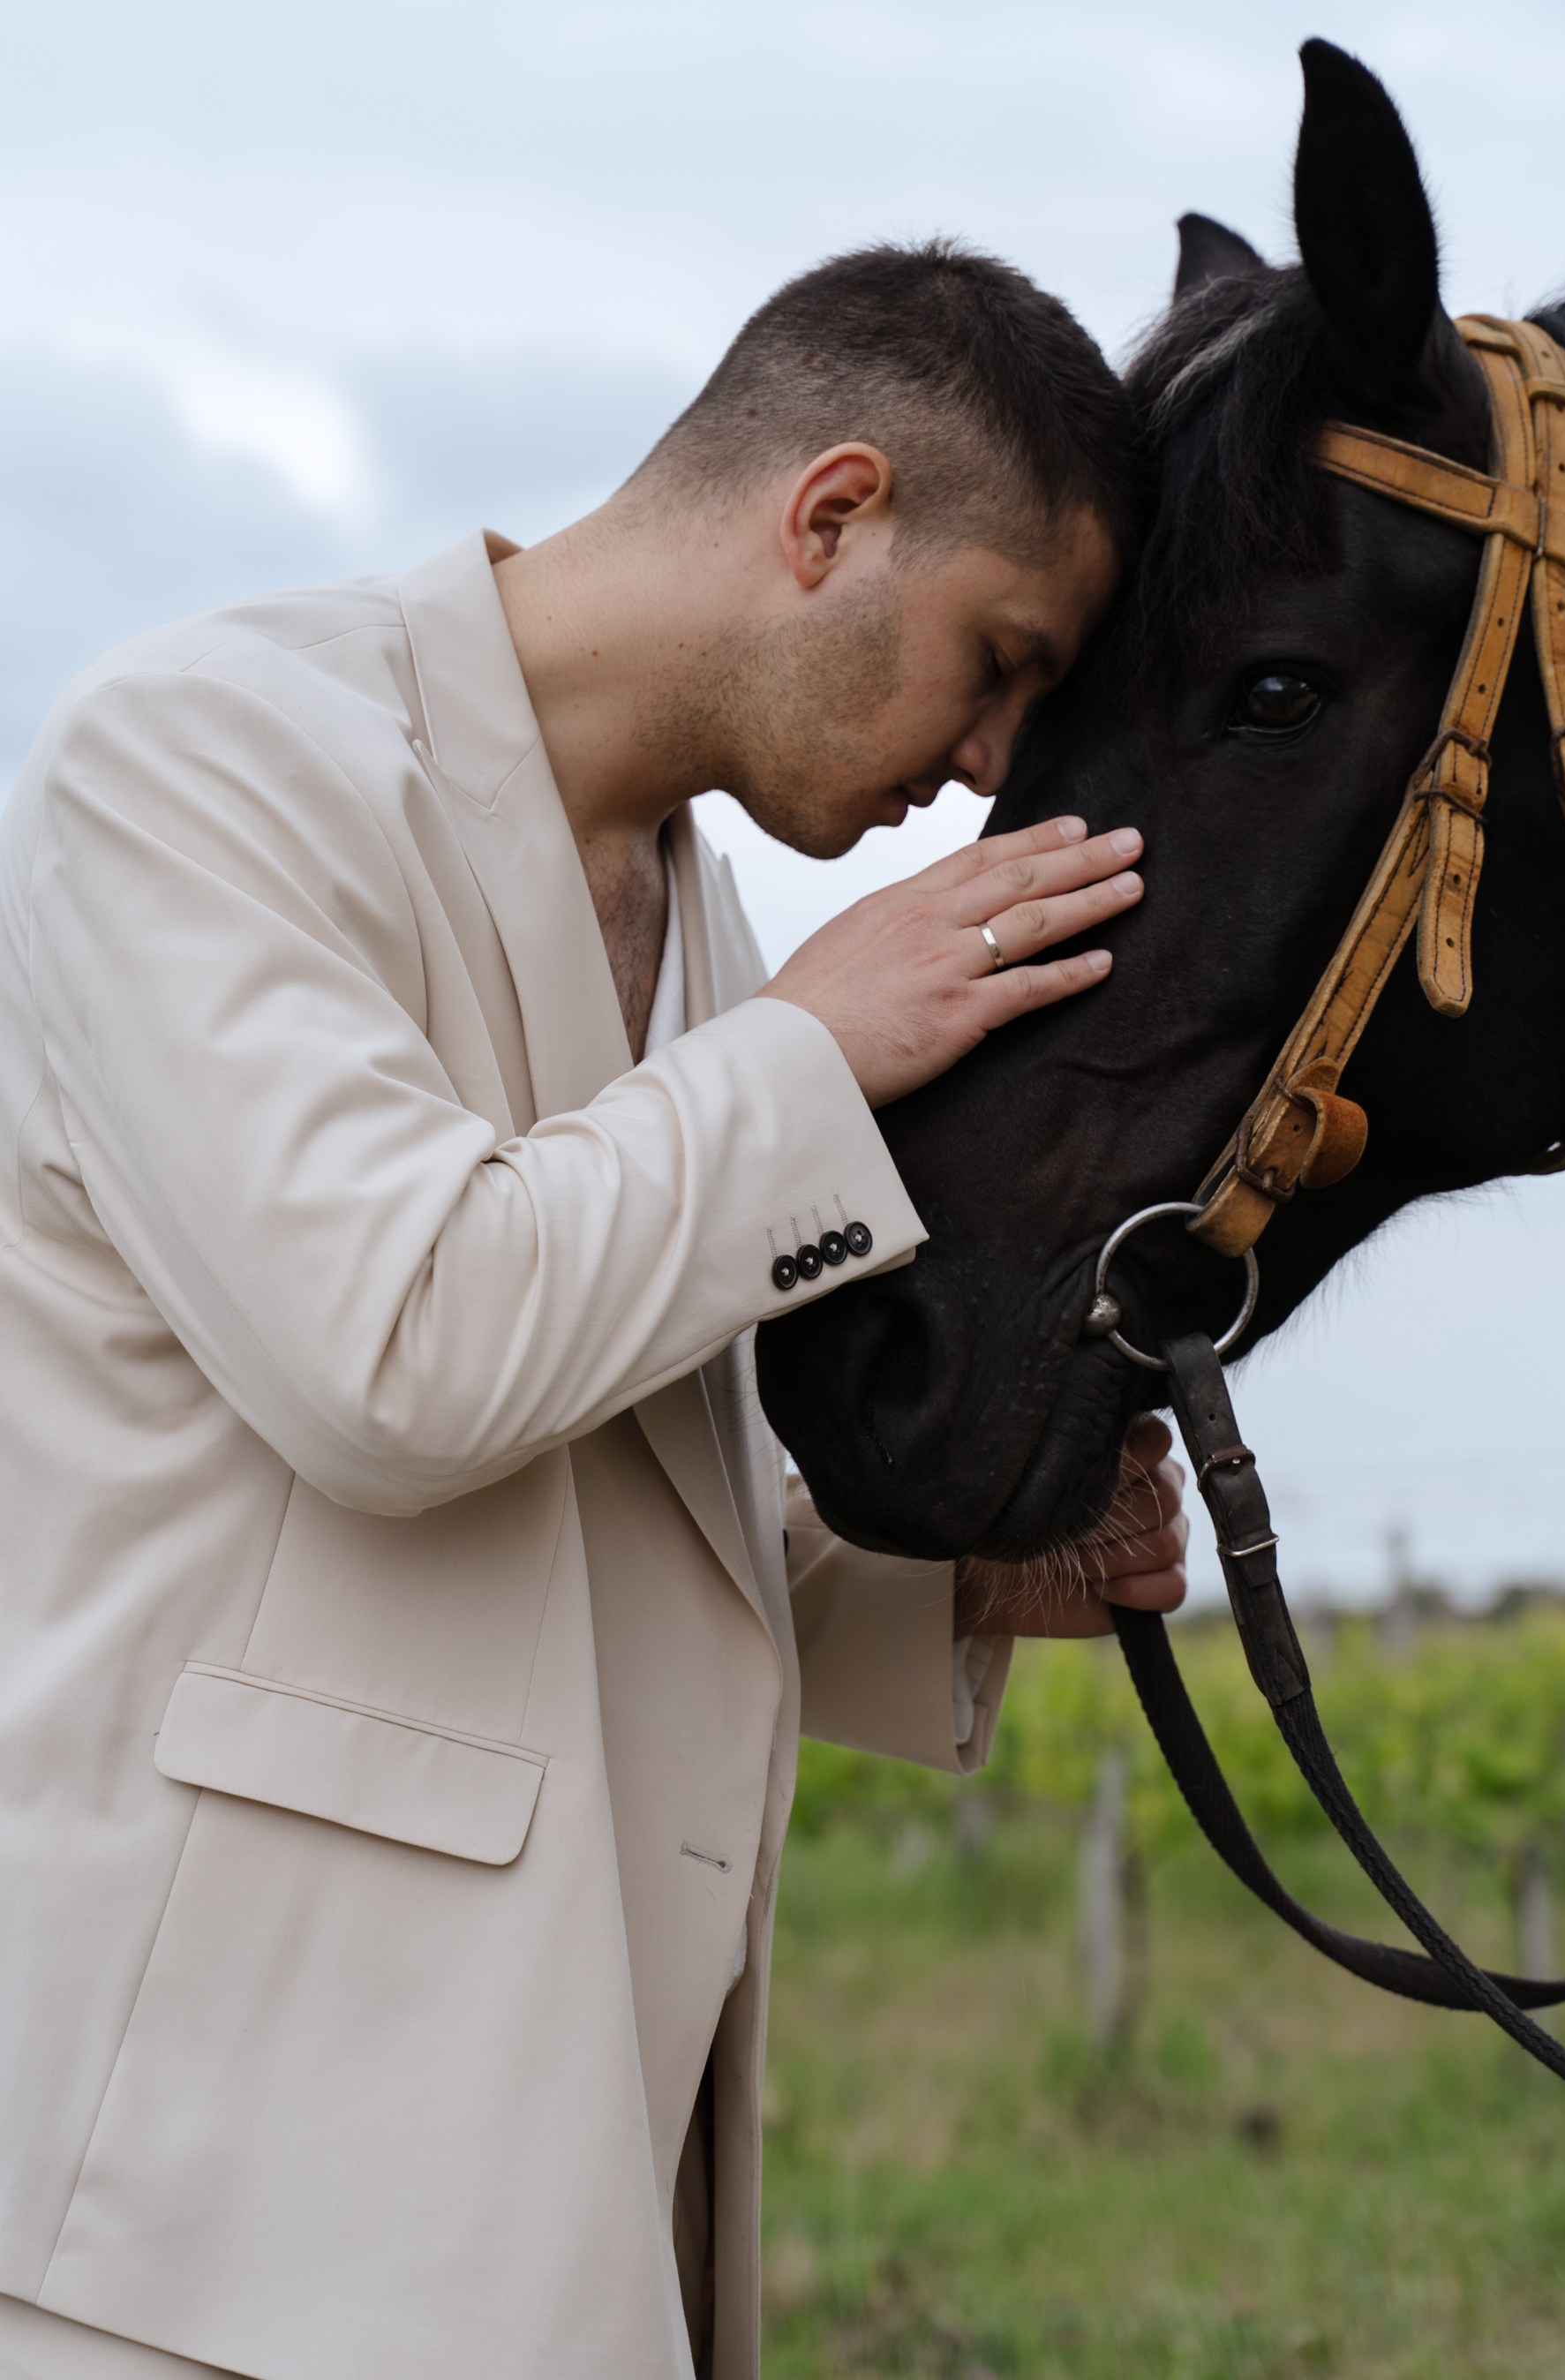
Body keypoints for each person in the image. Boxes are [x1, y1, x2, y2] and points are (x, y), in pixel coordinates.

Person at [0, 245, 1186, 2380]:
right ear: (832, 516)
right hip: (198, 2216)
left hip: (541, 2177)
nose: (994, 753)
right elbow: (403, 1357)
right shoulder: (194, 760)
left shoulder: (711, 922)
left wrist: (977, 1582)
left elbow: (621, 1486)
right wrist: (817, 1062)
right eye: (997, 662)